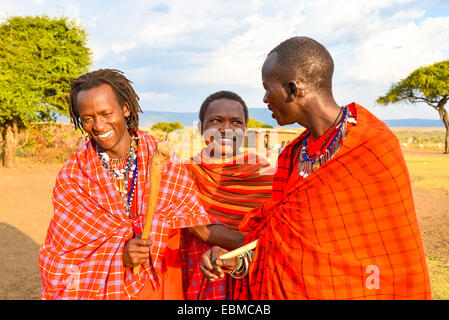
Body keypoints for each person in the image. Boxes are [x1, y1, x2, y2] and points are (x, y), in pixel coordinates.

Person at [201, 37, 431, 299]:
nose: (264, 99)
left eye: (267, 89)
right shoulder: (292, 155)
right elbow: (279, 244)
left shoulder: (371, 145)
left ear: (292, 89)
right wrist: (237, 260)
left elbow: (387, 252)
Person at [39, 69, 220, 299]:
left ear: (125, 108)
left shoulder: (160, 155)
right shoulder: (75, 175)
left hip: (162, 284)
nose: (98, 125)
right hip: (108, 289)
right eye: (87, 118)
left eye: (106, 113)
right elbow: (64, 253)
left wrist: (256, 243)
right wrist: (119, 256)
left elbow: (195, 221)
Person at [180, 91, 274, 300]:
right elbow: (200, 231)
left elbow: (275, 236)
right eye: (216, 121)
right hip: (199, 273)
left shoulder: (264, 173)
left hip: (252, 277)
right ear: (201, 128)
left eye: (236, 122)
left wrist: (240, 249)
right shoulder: (185, 172)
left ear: (245, 130)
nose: (226, 129)